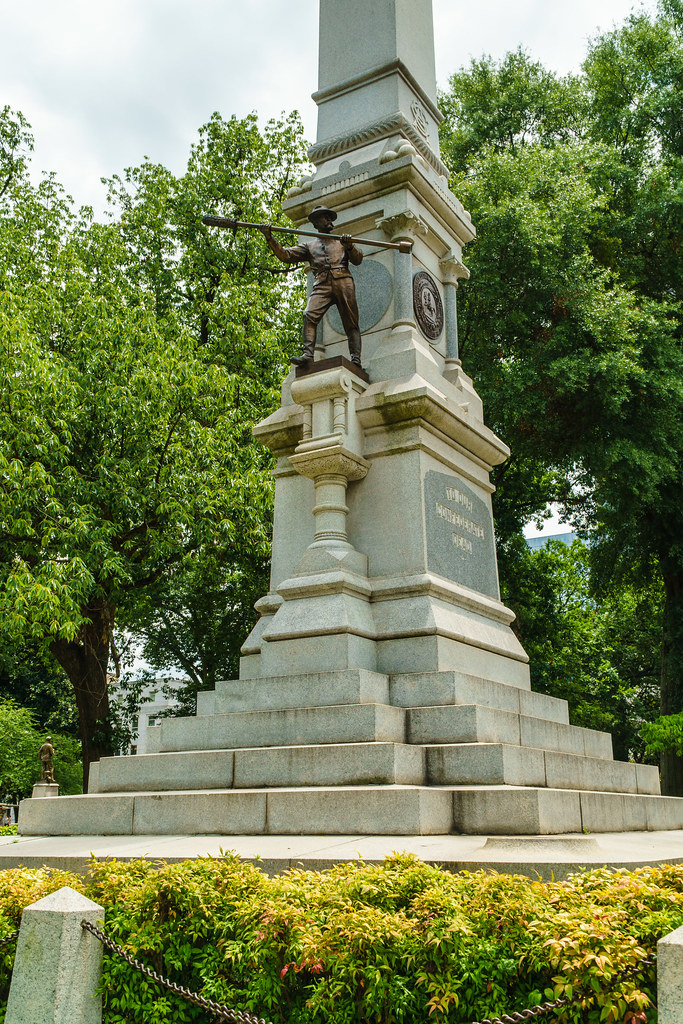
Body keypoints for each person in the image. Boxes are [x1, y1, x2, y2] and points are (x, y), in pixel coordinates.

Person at [259, 206, 364, 369]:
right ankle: (308, 355)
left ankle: (356, 359)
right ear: (315, 223)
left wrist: (350, 246)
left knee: (351, 321)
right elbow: (286, 255)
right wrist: (269, 238)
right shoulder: (309, 246)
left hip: (343, 281)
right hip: (322, 283)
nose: (329, 220)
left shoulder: (341, 242)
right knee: (309, 315)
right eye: (324, 217)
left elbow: (358, 260)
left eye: (329, 217)